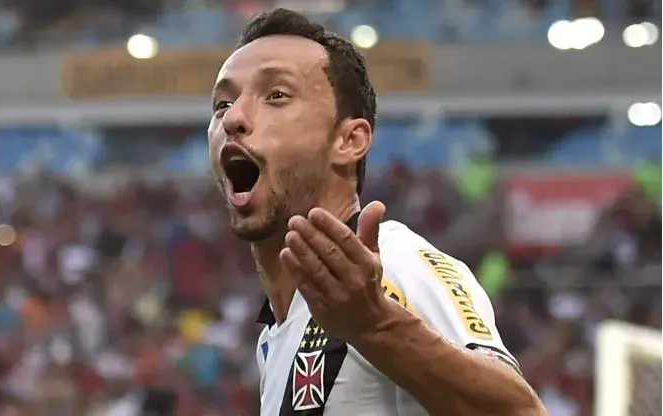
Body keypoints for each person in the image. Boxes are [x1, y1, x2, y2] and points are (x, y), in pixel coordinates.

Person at [207, 8, 548, 415]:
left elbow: (523, 411)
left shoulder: (395, 263)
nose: (234, 118)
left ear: (350, 140)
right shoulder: (276, 336)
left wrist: (377, 324)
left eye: (277, 95)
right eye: (222, 103)